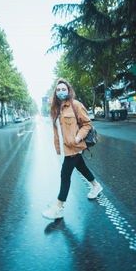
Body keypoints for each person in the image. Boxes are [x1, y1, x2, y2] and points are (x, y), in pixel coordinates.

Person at [42, 78, 103, 220]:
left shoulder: (76, 105)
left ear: (68, 91)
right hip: (65, 148)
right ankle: (96, 185)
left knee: (65, 175)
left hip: (74, 147)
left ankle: (58, 207)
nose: (61, 92)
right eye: (59, 90)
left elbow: (87, 124)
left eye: (64, 89)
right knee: (81, 167)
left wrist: (78, 138)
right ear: (55, 93)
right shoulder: (56, 109)